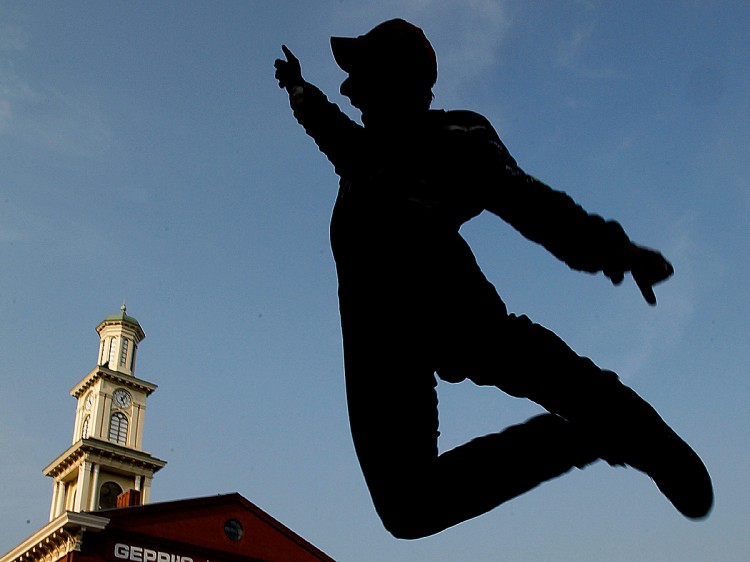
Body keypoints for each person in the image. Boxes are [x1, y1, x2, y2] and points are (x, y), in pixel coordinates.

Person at [274, 19, 713, 539]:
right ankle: (578, 437)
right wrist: (298, 88)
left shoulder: (455, 139)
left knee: (529, 361)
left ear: (397, 81)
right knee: (408, 509)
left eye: (360, 77)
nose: (348, 90)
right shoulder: (361, 156)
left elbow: (533, 205)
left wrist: (615, 251)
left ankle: (622, 424)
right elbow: (326, 125)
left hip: (451, 309)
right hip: (380, 351)